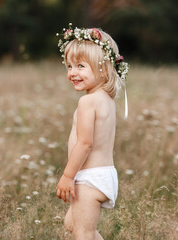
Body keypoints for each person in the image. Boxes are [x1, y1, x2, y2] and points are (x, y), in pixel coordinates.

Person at [56, 24, 129, 240]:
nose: (73, 73)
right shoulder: (106, 100)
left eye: (80, 66)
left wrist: (68, 176)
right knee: (72, 224)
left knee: (82, 233)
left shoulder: (88, 101)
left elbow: (85, 143)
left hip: (90, 178)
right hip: (102, 174)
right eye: (69, 66)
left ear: (103, 68)